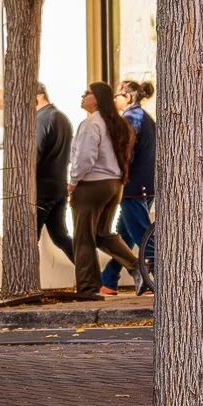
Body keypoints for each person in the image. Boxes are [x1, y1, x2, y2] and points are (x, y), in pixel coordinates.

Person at [68, 81, 138, 299]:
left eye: (86, 93)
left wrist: (73, 180)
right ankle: (137, 268)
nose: (82, 96)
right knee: (103, 234)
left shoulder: (92, 123)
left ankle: (88, 288)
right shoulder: (116, 123)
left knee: (84, 237)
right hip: (114, 185)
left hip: (92, 185)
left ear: (96, 99)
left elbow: (85, 157)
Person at [100, 81, 155, 296]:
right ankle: (109, 280)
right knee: (125, 234)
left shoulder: (131, 118)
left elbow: (125, 152)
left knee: (142, 234)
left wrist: (116, 173)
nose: (115, 99)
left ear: (128, 97)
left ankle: (155, 277)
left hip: (133, 185)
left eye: (118, 95)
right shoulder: (142, 116)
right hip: (143, 184)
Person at [35, 85, 73, 265]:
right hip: (58, 187)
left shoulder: (41, 119)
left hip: (42, 189)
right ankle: (91, 276)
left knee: (29, 237)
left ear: (39, 95)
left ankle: (25, 282)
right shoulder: (62, 117)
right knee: (60, 236)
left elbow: (34, 154)